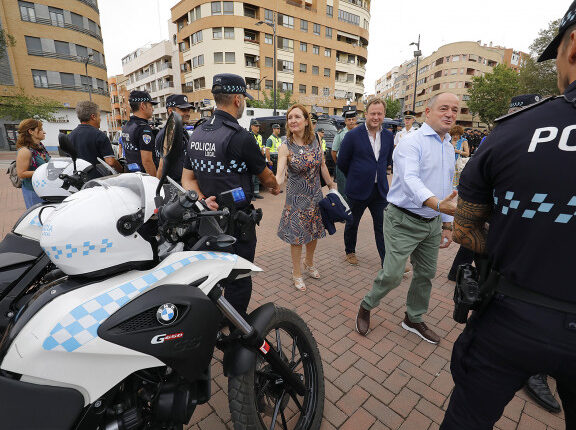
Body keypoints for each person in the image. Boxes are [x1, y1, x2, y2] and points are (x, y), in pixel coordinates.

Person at [440, 4, 576, 427]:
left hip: (513, 318)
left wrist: (511, 238)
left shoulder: (515, 131)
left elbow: (465, 229)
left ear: (573, 46)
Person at [355, 92, 460, 341]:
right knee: (392, 275)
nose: (450, 114)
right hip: (403, 220)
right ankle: (367, 305)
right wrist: (438, 205)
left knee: (426, 273)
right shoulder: (411, 142)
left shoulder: (447, 145)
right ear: (428, 112)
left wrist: (446, 224)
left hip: (432, 221)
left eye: (455, 110)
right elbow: (410, 180)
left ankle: (413, 318)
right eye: (444, 108)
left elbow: (446, 184)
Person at [181, 73, 280, 316]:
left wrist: (204, 201)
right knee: (239, 278)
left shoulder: (197, 133)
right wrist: (276, 185)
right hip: (237, 225)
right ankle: (234, 329)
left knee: (212, 277)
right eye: (244, 98)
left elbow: (188, 178)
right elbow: (268, 179)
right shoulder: (240, 136)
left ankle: (212, 319)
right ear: (237, 99)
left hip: (206, 221)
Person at [275, 104, 336, 291]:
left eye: (297, 117)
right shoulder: (285, 146)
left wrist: (332, 185)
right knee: (297, 238)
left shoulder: (316, 139)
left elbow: (323, 165)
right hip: (296, 201)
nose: (292, 120)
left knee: (314, 232)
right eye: (289, 117)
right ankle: (296, 273)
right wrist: (274, 184)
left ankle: (308, 263)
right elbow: (279, 175)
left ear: (306, 120)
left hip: (315, 197)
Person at [337, 97, 394, 267]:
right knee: (353, 223)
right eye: (372, 113)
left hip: (380, 191)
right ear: (366, 114)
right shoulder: (353, 135)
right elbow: (342, 162)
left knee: (382, 227)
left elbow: (387, 159)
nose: (376, 117)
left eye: (379, 113)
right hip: (358, 190)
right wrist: (356, 177)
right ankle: (350, 251)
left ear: (384, 115)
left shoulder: (389, 136)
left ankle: (387, 261)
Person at [68, 101, 122, 173]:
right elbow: (110, 162)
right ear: (93, 117)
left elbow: (69, 161)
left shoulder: (70, 136)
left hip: (78, 179)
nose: (100, 119)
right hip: (97, 180)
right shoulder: (99, 135)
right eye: (99, 116)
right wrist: (122, 169)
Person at [155, 94, 192, 183]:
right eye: (183, 110)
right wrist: (158, 190)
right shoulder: (168, 134)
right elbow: (161, 167)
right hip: (174, 187)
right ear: (171, 111)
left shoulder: (181, 131)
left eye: (188, 110)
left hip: (183, 184)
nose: (188, 114)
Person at [15, 119, 50, 209]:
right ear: (31, 131)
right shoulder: (24, 151)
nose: (44, 132)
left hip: (44, 190)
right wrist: (44, 171)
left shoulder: (40, 148)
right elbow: (21, 173)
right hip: (33, 193)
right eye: (41, 129)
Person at [121, 90, 158, 175]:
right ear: (142, 106)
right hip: (144, 179)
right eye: (150, 105)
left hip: (132, 176)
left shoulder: (127, 126)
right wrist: (155, 183)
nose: (152, 109)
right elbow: (147, 161)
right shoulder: (143, 128)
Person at [331, 109, 358, 201]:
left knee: (356, 191)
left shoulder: (361, 133)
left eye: (353, 119)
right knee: (343, 193)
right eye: (349, 120)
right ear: (345, 121)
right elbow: (334, 151)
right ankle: (344, 213)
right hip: (343, 167)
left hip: (356, 166)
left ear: (356, 120)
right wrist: (339, 164)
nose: (351, 121)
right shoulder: (340, 134)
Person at [450, 125, 470, 189]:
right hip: (448, 164)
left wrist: (457, 151)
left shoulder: (464, 141)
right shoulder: (448, 140)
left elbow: (467, 154)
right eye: (453, 135)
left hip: (458, 166)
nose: (455, 136)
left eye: (457, 135)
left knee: (457, 186)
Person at [249, 120, 264, 200]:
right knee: (252, 178)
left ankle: (256, 193)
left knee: (257, 178)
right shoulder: (249, 136)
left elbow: (262, 148)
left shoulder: (260, 136)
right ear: (252, 127)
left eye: (258, 126)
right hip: (251, 160)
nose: (258, 127)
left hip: (258, 160)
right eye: (256, 126)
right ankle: (251, 195)